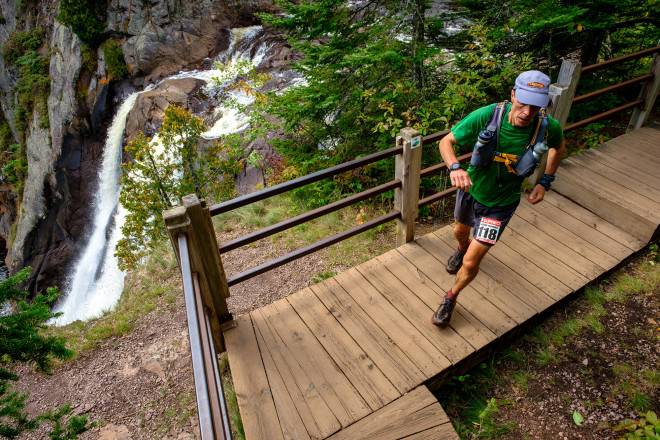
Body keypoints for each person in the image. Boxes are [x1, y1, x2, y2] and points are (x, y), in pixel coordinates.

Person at [432, 70, 567, 328]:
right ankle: (461, 248)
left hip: (502, 206)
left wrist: (545, 181)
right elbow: (446, 142)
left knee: (472, 261)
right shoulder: (487, 116)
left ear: (544, 105)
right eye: (523, 103)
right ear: (513, 95)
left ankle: (451, 297)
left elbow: (558, 148)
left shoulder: (548, 127)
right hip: (471, 192)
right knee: (460, 231)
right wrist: (455, 168)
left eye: (536, 106)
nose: (527, 112)